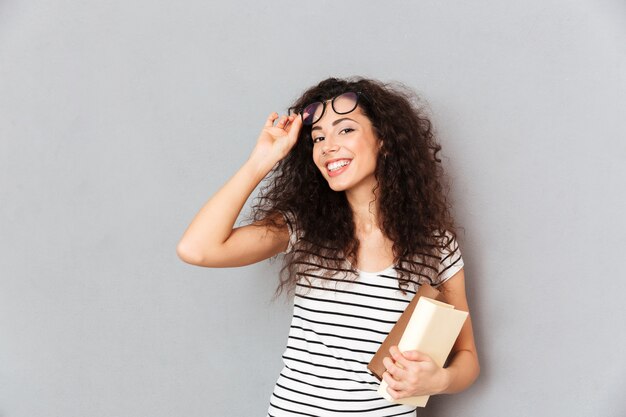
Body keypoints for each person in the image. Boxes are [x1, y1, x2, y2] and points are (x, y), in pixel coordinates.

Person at [176, 77, 480, 416]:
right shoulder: (302, 228)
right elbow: (197, 249)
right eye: (318, 137)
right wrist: (262, 160)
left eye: (345, 130)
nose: (327, 146)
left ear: (384, 141)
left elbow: (467, 357)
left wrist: (437, 381)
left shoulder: (436, 246)